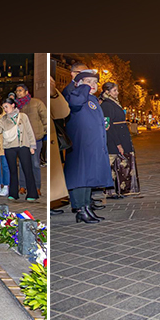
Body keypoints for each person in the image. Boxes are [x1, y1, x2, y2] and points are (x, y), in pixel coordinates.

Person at [62, 69, 110, 223]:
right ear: (79, 84)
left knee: (88, 177)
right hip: (81, 145)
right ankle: (80, 209)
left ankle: (87, 206)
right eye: (88, 81)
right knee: (80, 178)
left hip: (92, 145)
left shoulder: (92, 99)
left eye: (95, 82)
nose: (93, 85)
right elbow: (75, 103)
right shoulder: (75, 95)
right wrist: (83, 86)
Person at [0, 94, 40, 203]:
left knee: (28, 169)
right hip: (9, 146)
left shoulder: (23, 116)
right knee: (12, 170)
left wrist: (32, 145)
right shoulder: (3, 119)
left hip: (23, 145)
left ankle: (32, 193)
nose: (5, 109)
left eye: (7, 107)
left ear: (13, 105)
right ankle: (13, 193)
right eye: (4, 107)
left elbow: (29, 131)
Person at [99, 83, 138, 196]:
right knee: (114, 164)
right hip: (114, 138)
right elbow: (108, 125)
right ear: (107, 92)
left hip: (122, 136)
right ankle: (112, 190)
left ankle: (123, 188)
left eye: (117, 90)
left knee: (123, 163)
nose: (117, 93)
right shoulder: (106, 105)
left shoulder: (114, 103)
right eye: (114, 91)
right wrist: (118, 144)